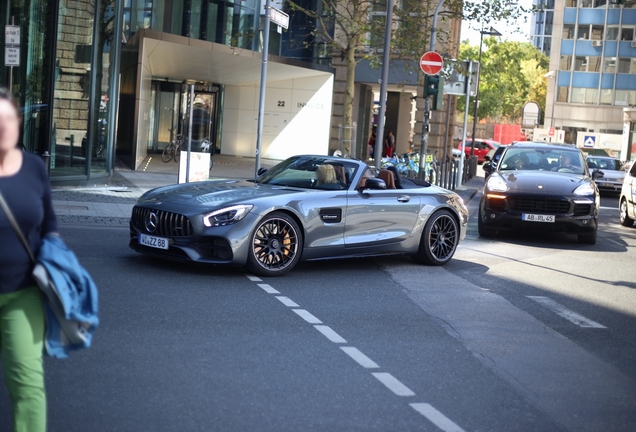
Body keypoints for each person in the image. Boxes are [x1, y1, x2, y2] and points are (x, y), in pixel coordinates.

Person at [0, 88, 57, 432]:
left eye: (8, 119)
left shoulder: (35, 168)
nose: (3, 127)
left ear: (19, 123)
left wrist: (55, 250)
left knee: (28, 384)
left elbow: (49, 220)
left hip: (23, 293)